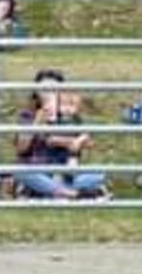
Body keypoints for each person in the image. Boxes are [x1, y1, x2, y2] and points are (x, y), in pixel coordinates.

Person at [14, 69, 108, 200]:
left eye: (53, 88)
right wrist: (37, 122)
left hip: (65, 171)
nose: (48, 93)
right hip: (38, 168)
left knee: (98, 174)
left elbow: (88, 141)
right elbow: (21, 148)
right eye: (44, 88)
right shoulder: (28, 115)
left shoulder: (69, 115)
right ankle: (73, 194)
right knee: (22, 172)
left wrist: (80, 140)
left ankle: (51, 191)